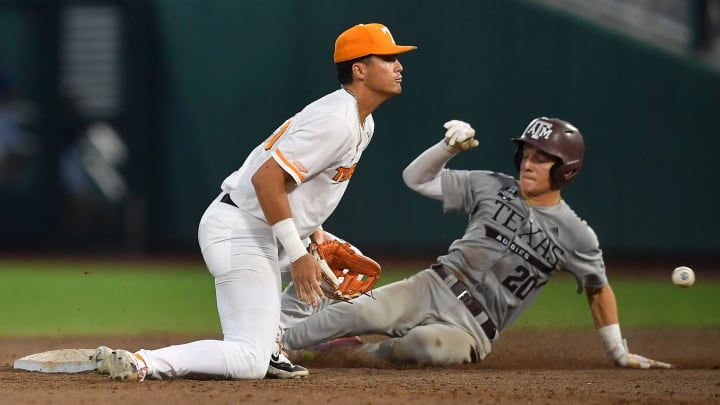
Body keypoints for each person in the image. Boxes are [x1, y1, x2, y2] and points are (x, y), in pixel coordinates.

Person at [92, 23, 417, 381]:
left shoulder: (361, 122)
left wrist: (315, 236)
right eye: (388, 58)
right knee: (248, 361)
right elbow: (267, 179)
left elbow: (304, 186)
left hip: (262, 229)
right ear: (359, 69)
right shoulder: (337, 121)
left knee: (335, 270)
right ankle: (144, 361)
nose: (398, 66)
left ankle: (272, 343)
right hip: (239, 229)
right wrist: (297, 254)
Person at [280, 117, 672, 369]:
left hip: (472, 328)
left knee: (425, 347)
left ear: (566, 170)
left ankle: (356, 355)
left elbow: (597, 289)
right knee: (356, 313)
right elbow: (415, 179)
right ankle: (272, 344)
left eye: (542, 157)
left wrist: (618, 351)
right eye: (526, 153)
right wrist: (447, 149)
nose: (528, 163)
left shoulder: (576, 234)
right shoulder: (491, 185)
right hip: (431, 286)